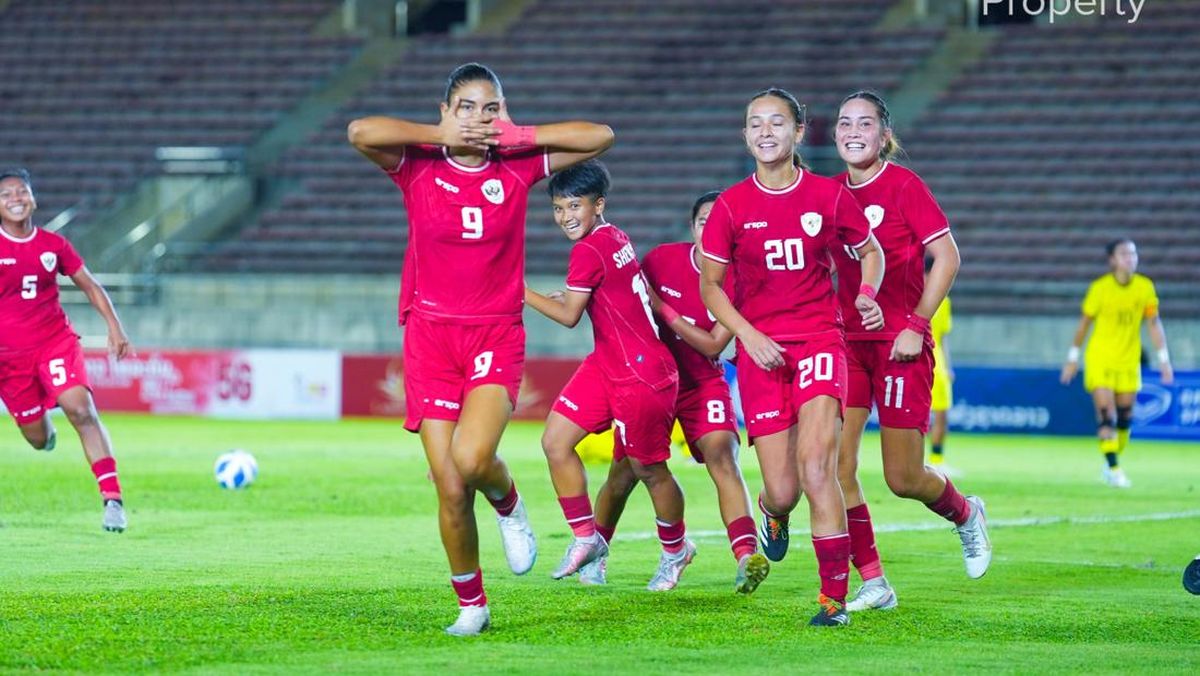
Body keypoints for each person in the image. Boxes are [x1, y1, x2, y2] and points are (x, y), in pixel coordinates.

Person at [347, 62, 614, 636]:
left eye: (489, 107)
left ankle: (509, 502)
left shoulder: (514, 167)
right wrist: (434, 135)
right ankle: (473, 604)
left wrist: (520, 136)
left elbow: (600, 137)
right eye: (465, 107)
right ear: (445, 112)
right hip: (429, 336)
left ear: (503, 115)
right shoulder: (417, 165)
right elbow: (359, 132)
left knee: (470, 462)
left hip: (494, 331)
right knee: (448, 486)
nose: (477, 117)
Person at [699, 87, 885, 626]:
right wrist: (746, 335)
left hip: (821, 343)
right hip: (760, 353)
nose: (765, 132)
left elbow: (870, 251)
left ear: (798, 133)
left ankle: (833, 602)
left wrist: (866, 295)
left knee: (817, 468)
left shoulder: (827, 196)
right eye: (755, 123)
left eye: (776, 123)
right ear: (744, 135)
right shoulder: (731, 205)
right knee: (782, 490)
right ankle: (772, 513)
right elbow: (712, 286)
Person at [831, 92, 992, 613]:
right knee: (836, 467)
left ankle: (965, 512)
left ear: (884, 135)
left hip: (900, 346)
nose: (853, 131)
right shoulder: (828, 194)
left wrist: (915, 325)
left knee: (903, 479)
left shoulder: (903, 185)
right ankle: (874, 581)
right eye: (844, 122)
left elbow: (947, 255)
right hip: (846, 346)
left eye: (865, 123)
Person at [578, 191, 770, 594]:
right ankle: (595, 555)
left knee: (722, 453)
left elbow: (714, 344)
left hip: (702, 382)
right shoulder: (662, 259)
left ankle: (746, 556)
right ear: (693, 227)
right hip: (651, 384)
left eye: (720, 223)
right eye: (704, 221)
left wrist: (663, 308)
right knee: (624, 473)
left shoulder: (741, 278)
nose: (711, 229)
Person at [525, 160, 693, 592]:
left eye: (574, 206)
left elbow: (567, 316)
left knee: (649, 470)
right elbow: (608, 292)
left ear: (598, 204)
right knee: (555, 441)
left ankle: (676, 551)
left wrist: (519, 290)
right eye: (558, 208)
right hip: (608, 363)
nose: (565, 217)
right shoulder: (613, 235)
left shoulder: (588, 249)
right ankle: (586, 538)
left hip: (642, 375)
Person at [0, 168, 132, 533]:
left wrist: (115, 327)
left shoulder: (53, 245)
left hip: (53, 343)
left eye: (21, 191)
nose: (15, 198)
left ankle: (113, 501)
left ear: (33, 199)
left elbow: (90, 285)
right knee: (38, 439)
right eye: (6, 194)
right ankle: (46, 433)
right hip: (8, 360)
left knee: (80, 409)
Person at [1060, 238, 1173, 488]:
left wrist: (1164, 359)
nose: (1130, 258)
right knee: (1106, 415)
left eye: (1133, 253)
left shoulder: (1145, 287)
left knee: (1125, 419)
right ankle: (1114, 468)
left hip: (1128, 361)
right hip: (1100, 358)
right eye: (1124, 254)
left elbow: (1154, 324)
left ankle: (1110, 460)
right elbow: (1084, 324)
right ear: (1113, 260)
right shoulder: (1100, 289)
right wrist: (1072, 358)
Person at [927, 264, 955, 474]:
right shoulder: (911, 296)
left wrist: (949, 365)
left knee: (942, 414)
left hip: (939, 365)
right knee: (915, 416)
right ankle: (915, 462)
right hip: (918, 360)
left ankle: (937, 459)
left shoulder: (944, 301)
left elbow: (943, 337)